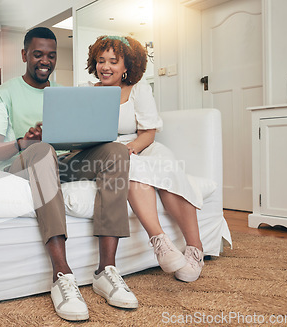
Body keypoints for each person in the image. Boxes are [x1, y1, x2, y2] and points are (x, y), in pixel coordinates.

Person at [0, 27, 137, 321]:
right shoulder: (3, 94)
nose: (45, 61)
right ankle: (62, 274)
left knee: (116, 151)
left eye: (51, 56)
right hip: (23, 164)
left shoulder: (64, 94)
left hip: (61, 160)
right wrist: (24, 142)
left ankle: (106, 270)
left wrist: (86, 138)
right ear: (24, 55)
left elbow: (73, 139)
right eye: (38, 54)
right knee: (42, 150)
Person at [86, 35, 205, 282]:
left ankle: (195, 249)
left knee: (169, 172)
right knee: (131, 170)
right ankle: (160, 241)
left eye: (113, 61)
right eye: (100, 61)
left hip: (142, 145)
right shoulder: (88, 92)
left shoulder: (138, 89)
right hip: (111, 152)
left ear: (126, 66)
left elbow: (148, 132)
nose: (105, 67)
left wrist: (130, 148)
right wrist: (119, 152)